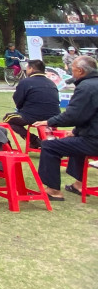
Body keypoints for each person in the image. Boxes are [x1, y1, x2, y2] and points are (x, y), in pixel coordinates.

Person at [36, 55, 98, 201]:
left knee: (49, 146)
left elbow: (74, 116)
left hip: (93, 141)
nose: (72, 73)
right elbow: (90, 115)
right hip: (92, 135)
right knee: (75, 140)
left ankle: (53, 190)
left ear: (81, 71)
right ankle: (78, 184)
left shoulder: (86, 87)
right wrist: (76, 131)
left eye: (73, 70)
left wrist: (49, 122)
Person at [2, 59, 59, 146]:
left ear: (31, 69)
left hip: (33, 116)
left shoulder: (25, 82)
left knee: (8, 118)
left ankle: (34, 140)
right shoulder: (51, 83)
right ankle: (48, 141)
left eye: (27, 68)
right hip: (54, 116)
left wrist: (21, 109)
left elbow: (18, 100)